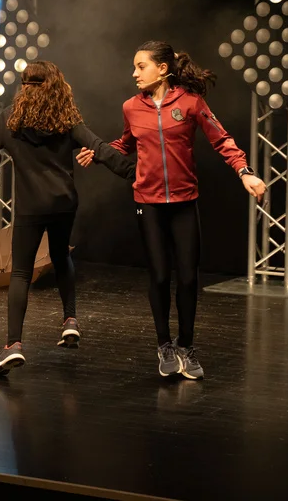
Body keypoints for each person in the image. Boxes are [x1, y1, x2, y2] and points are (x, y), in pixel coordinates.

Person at [76, 41, 266, 380]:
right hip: (147, 203)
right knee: (160, 276)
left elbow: (221, 139)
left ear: (162, 69)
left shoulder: (191, 102)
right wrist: (101, 153)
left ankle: (187, 346)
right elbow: (127, 142)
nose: (134, 74)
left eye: (141, 66)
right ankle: (164, 344)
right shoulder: (131, 107)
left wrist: (245, 172)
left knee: (189, 278)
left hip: (184, 202)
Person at [0, 61, 134, 376]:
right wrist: (134, 173)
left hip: (31, 207)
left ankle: (13, 344)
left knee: (20, 273)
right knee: (60, 255)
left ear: (24, 86)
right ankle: (70, 320)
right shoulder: (66, 119)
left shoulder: (10, 120)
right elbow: (99, 148)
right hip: (64, 203)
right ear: (57, 87)